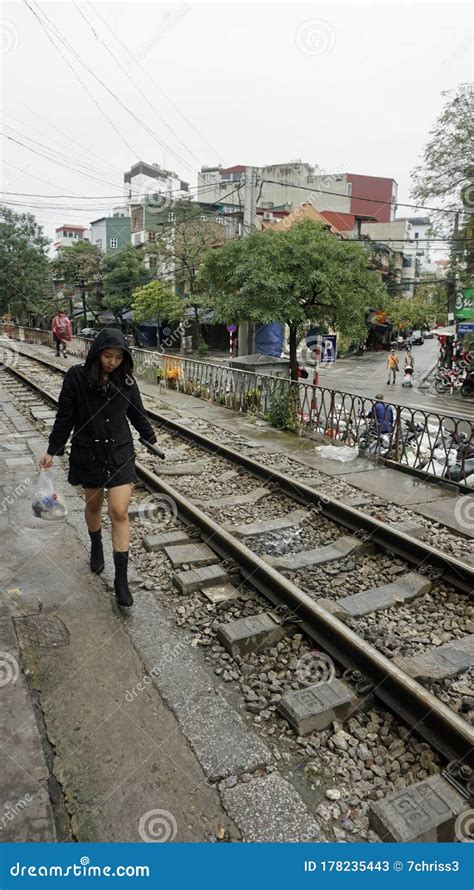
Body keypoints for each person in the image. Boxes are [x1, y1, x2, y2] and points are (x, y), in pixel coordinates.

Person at [38, 328, 158, 608]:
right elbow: (65, 417)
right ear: (97, 353)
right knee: (93, 507)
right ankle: (95, 545)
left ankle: (121, 580)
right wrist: (52, 450)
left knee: (118, 511)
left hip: (120, 452)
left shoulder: (125, 380)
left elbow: (136, 412)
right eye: (107, 355)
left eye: (118, 357)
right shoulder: (76, 378)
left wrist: (150, 437)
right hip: (88, 453)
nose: (112, 362)